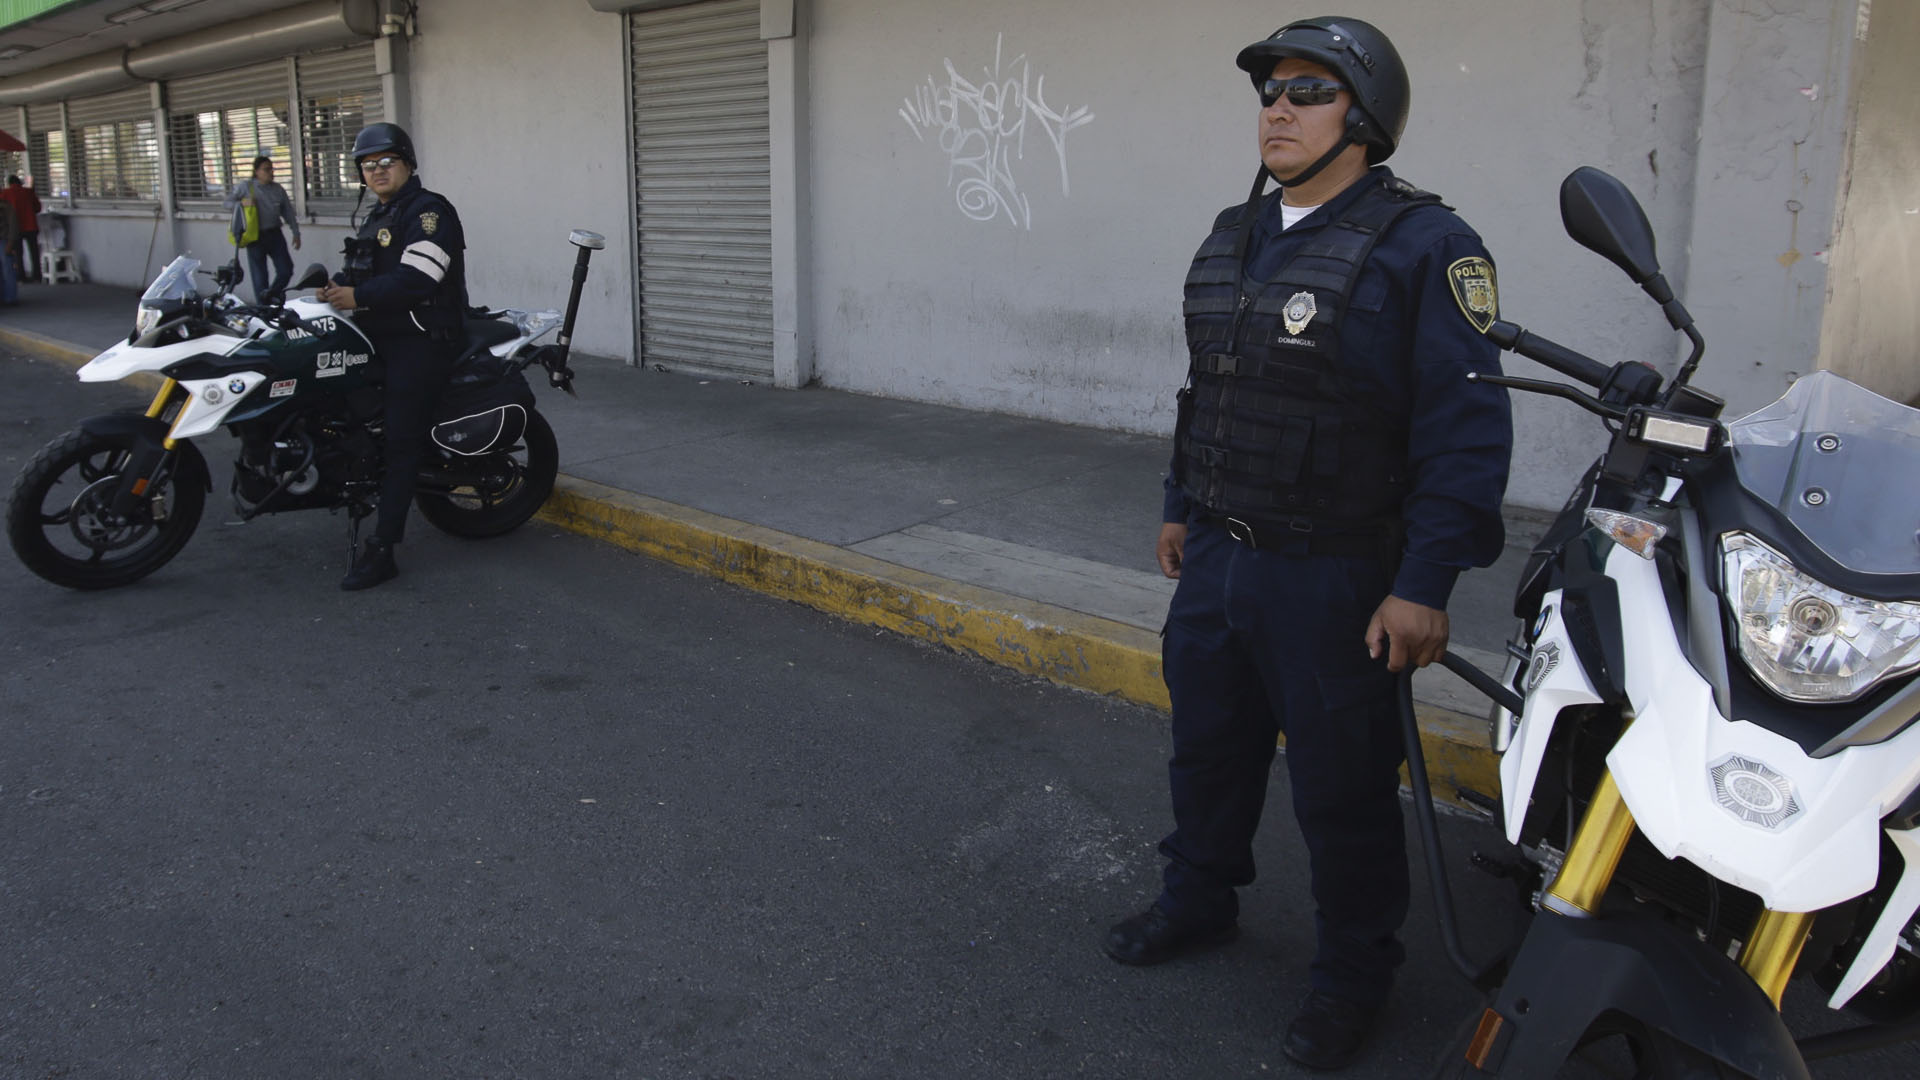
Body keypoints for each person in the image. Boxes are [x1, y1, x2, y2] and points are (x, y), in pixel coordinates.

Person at [1104, 17, 1512, 1071]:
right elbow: (1213, 388)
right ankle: (1199, 901)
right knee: (1208, 751)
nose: (1276, 110)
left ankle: (1353, 977)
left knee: (1340, 788)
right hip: (1223, 557)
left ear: (1365, 119)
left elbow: (1464, 431)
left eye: (1307, 91)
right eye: (1269, 91)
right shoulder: (1234, 231)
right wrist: (1179, 502)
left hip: (1337, 573)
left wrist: (1424, 583)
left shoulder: (1430, 245)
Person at [317, 123, 468, 591]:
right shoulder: (378, 216)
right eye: (368, 165)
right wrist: (329, 290)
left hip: (422, 338)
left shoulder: (428, 213)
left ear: (407, 163)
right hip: (379, 336)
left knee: (400, 440)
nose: (377, 171)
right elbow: (360, 268)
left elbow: (417, 280)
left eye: (386, 162)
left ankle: (383, 550)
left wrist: (357, 295)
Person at [223, 156, 301, 303]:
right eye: (266, 169)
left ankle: (271, 295)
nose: (270, 172)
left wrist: (296, 233)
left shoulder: (278, 189)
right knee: (260, 276)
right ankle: (263, 307)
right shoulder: (247, 187)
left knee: (286, 270)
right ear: (256, 171)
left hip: (275, 234)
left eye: (272, 169)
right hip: (255, 237)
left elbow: (288, 212)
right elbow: (227, 202)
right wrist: (241, 203)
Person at [1, 175, 40, 283]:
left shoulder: (5, 193)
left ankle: (21, 277)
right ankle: (37, 276)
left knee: (18, 253)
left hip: (16, 227)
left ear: (9, 183)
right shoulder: (28, 192)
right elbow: (38, 208)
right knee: (34, 252)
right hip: (31, 225)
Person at [0, 193, 17, 306]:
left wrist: (10, 242)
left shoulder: (6, 207)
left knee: (7, 270)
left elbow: (13, 225)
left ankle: (10, 298)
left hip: (4, 240)